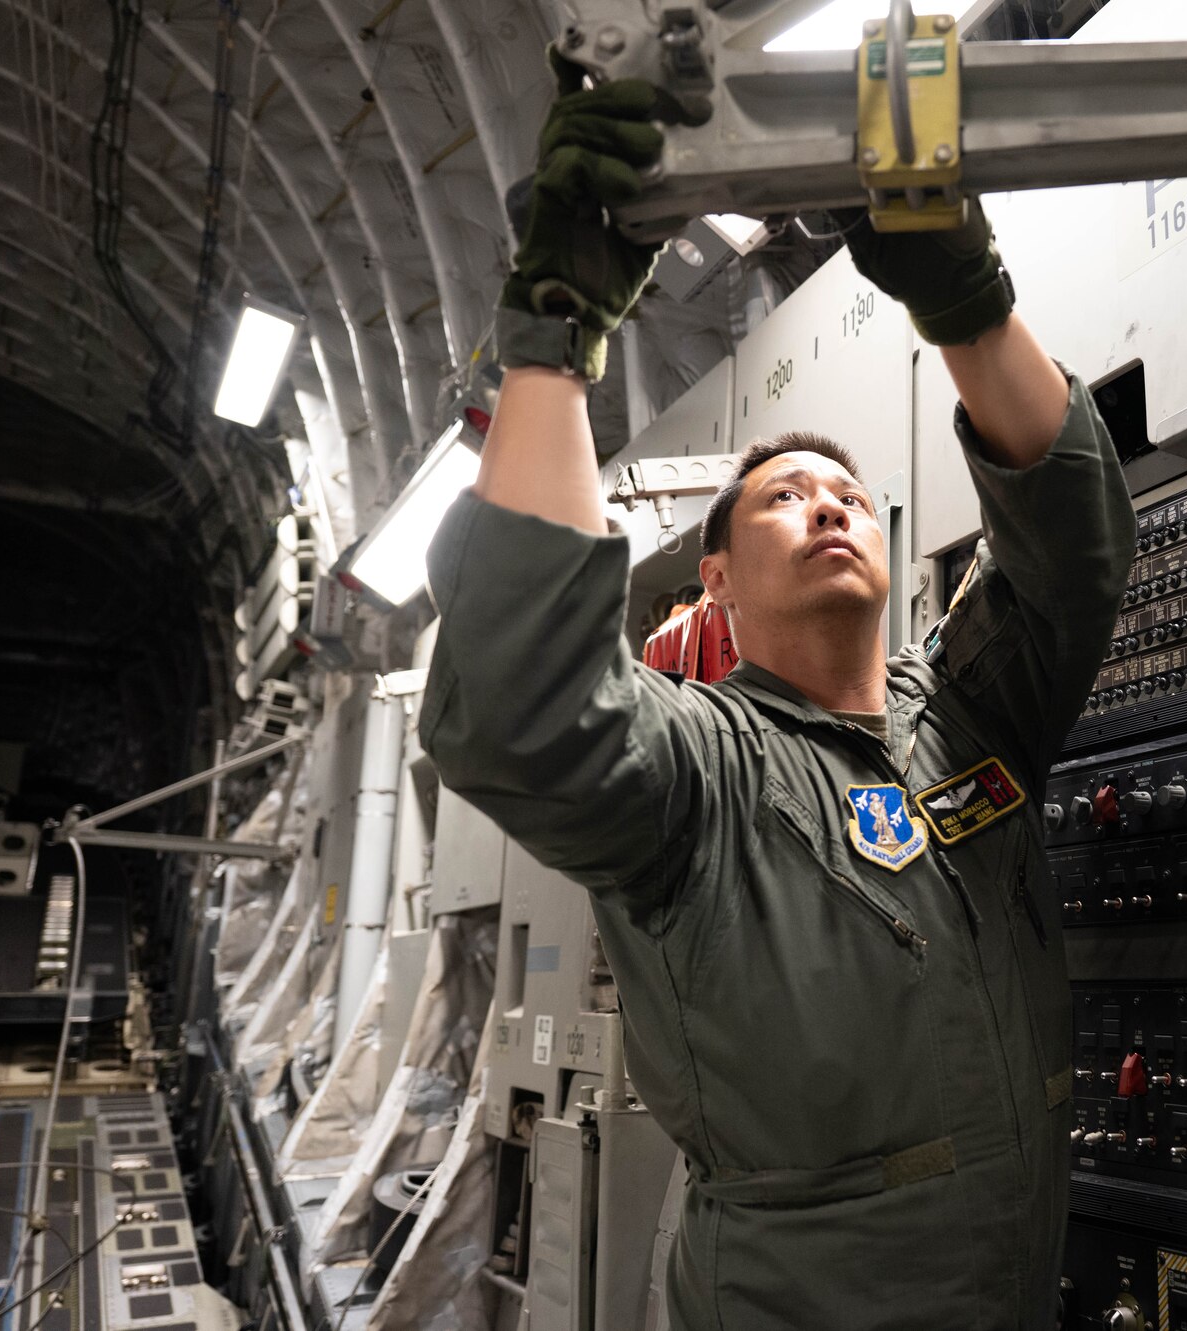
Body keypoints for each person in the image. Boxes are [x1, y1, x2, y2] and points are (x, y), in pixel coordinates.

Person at [420, 54, 1135, 1329]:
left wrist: (965, 302)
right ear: (715, 575)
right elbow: (526, 704)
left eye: (849, 495)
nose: (829, 507)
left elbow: (1074, 551)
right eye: (784, 496)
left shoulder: (966, 723)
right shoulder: (698, 771)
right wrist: (553, 335)